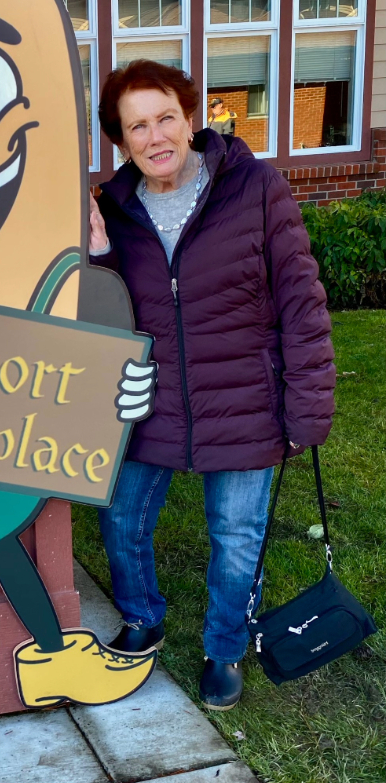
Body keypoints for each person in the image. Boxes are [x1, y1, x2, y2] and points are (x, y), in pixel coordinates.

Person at [88, 59, 334, 710]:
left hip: (245, 399)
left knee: (236, 538)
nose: (156, 136)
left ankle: (224, 648)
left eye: (165, 117)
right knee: (121, 517)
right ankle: (142, 616)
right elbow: (109, 311)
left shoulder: (254, 188)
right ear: (121, 139)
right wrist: (99, 254)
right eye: (137, 126)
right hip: (150, 403)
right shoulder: (114, 207)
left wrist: (307, 407)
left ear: (190, 117)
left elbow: (302, 304)